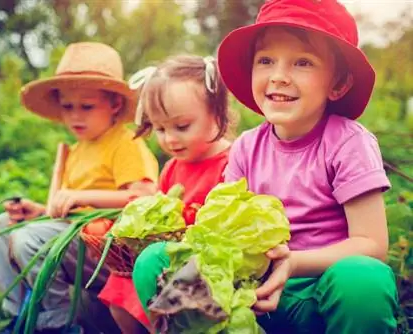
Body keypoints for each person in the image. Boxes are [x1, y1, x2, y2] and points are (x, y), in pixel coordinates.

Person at [216, 0, 399, 333]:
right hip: (258, 295)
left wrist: (294, 262)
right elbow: (227, 229)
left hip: (322, 296)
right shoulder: (245, 147)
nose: (279, 76)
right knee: (157, 261)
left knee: (364, 280)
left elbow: (372, 245)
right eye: (266, 60)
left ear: (338, 84)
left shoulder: (347, 143)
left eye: (303, 62)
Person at [0, 42, 159, 334]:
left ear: (114, 105)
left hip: (105, 249)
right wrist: (41, 210)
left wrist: (78, 195)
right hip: (73, 234)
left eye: (87, 106)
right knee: (2, 225)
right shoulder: (79, 149)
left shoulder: (124, 143)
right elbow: (71, 210)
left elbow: (144, 195)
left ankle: (57, 323)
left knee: (29, 240)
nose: (75, 116)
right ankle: (20, 314)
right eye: (67, 107)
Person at [99, 55, 234, 333]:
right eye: (160, 128)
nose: (170, 138)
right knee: (120, 293)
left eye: (181, 126)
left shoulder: (232, 161)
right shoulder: (172, 168)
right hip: (163, 261)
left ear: (217, 113)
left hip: (209, 266)